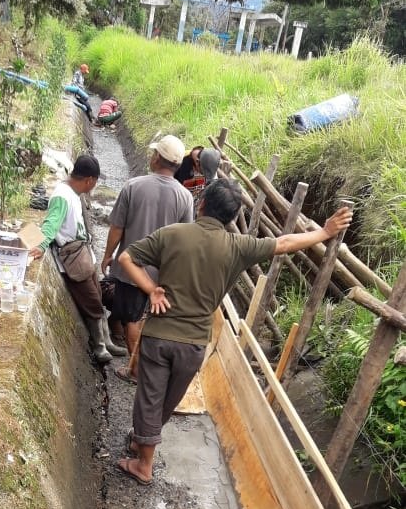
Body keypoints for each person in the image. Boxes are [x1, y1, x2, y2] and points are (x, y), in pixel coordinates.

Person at [115, 179, 352, 486]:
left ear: (200, 203)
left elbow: (126, 258)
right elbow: (282, 244)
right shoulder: (238, 246)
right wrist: (324, 232)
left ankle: (143, 463)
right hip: (195, 343)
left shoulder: (172, 234)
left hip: (161, 333)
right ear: (231, 216)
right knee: (166, 401)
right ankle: (141, 441)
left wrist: (151, 290)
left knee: (149, 396)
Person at [101, 134, 193, 383]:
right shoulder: (185, 197)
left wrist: (108, 255)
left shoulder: (134, 186)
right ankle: (148, 366)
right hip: (162, 274)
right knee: (150, 321)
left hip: (131, 270)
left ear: (155, 158)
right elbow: (185, 240)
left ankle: (135, 370)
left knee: (133, 318)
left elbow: (117, 227)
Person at [29, 155, 123, 365]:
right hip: (72, 256)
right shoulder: (62, 196)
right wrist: (41, 246)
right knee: (91, 301)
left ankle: (106, 341)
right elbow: (51, 225)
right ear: (89, 180)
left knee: (97, 295)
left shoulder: (73, 193)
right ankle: (99, 346)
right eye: (95, 181)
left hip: (83, 253)